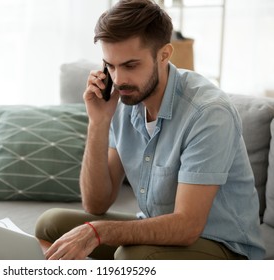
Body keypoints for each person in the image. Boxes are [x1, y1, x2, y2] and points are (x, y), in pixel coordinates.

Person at [35, 0, 265, 260]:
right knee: (51, 223)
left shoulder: (209, 114)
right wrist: (98, 122)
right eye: (110, 66)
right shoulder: (123, 101)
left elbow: (187, 227)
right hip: (163, 235)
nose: (119, 80)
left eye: (130, 65)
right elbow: (96, 203)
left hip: (222, 247)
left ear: (164, 54)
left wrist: (98, 233)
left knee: (130, 257)